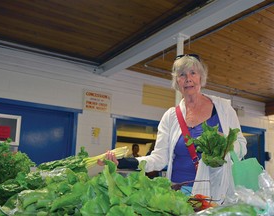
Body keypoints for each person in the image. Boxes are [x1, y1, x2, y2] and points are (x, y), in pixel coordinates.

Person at [99, 54, 247, 203]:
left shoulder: (224, 109)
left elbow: (242, 146)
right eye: (182, 75)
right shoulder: (170, 116)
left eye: (193, 73)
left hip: (217, 192)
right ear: (177, 81)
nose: (188, 78)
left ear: (201, 77)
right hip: (180, 193)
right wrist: (124, 162)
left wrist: (226, 145)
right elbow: (159, 159)